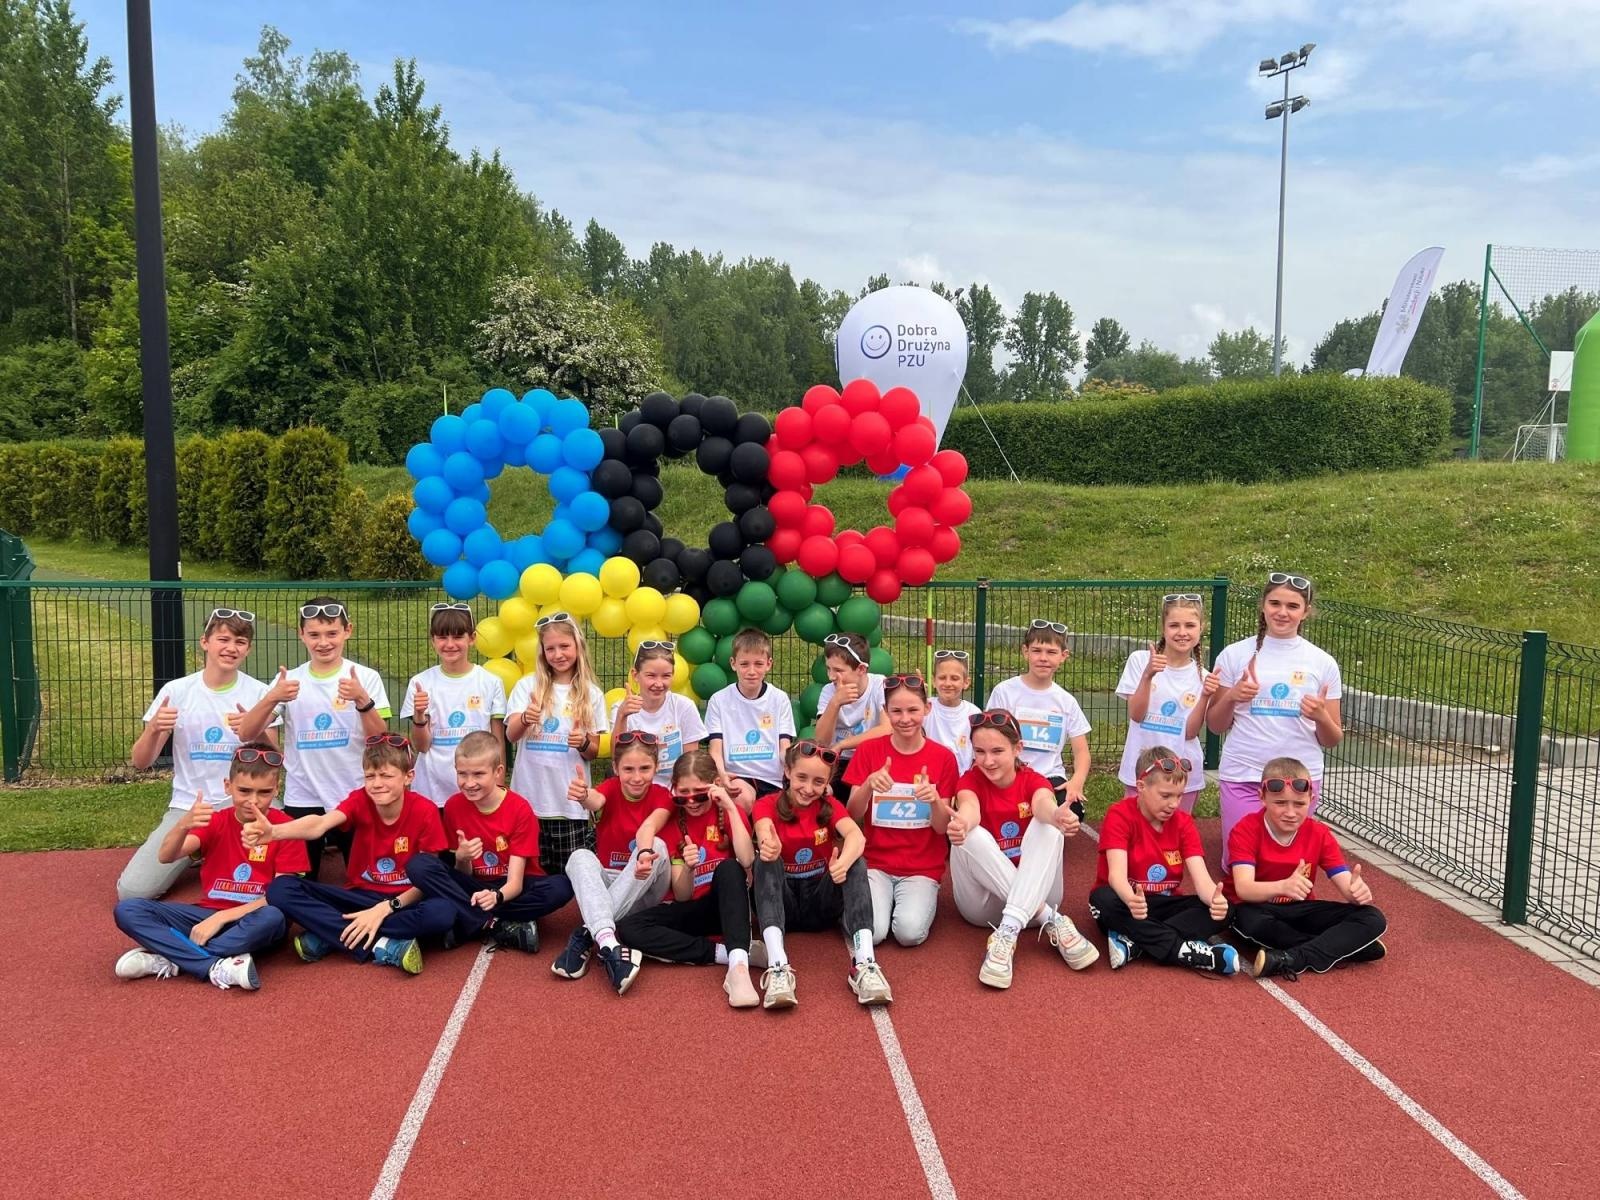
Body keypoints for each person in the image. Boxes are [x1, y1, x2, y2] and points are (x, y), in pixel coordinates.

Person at [253, 735, 456, 975]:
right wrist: (275, 832)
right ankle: (384, 945)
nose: (377, 783)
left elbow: (428, 879)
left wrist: (386, 908)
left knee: (443, 912)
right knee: (280, 889)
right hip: (359, 897)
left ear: (408, 777)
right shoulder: (360, 799)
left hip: (404, 900)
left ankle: (333, 935)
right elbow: (320, 824)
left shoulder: (426, 810)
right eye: (370, 776)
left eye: (387, 776)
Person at [112, 742, 307, 990]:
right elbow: (166, 856)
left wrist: (221, 918)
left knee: (273, 917)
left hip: (255, 916)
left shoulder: (286, 829)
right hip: (205, 914)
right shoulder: (216, 821)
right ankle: (214, 965)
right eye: (244, 791)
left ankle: (173, 957)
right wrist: (182, 825)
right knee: (129, 909)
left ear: (276, 789)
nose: (253, 801)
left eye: (264, 792)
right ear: (228, 786)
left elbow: (282, 898)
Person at [119, 607, 276, 901]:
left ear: (248, 649)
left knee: (268, 884)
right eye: (223, 639)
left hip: (243, 802)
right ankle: (200, 848)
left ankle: (210, 847)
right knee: (133, 892)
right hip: (191, 805)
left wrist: (257, 730)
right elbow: (141, 762)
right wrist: (153, 729)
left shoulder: (258, 693)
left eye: (240, 642)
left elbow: (276, 758)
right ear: (205, 641)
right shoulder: (177, 691)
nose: (231, 648)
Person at [242, 597, 391, 878]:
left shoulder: (365, 678)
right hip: (303, 795)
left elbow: (379, 741)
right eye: (314, 635)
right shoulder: (289, 680)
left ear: (348, 630)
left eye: (332, 633)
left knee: (366, 880)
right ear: (301, 635)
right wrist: (272, 697)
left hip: (354, 793)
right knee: (297, 882)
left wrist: (362, 700)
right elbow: (246, 732)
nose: (323, 642)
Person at [948, 710, 1099, 988]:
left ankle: (1007, 932)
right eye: (979, 751)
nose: (988, 760)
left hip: (1035, 895)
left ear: (1018, 748)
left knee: (1050, 826)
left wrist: (1057, 816)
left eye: (997, 751)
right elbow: (970, 808)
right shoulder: (969, 781)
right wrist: (962, 823)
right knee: (969, 834)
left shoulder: (1034, 780)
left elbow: (1043, 803)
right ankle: (1050, 920)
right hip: (984, 907)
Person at [614, 749, 760, 1009]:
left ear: (715, 786)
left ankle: (738, 969)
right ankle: (722, 954)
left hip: (729, 905)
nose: (692, 802)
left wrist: (729, 806)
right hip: (695, 909)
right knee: (629, 928)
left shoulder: (728, 811)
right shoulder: (673, 821)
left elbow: (747, 859)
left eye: (700, 794)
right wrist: (690, 868)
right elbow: (682, 896)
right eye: (683, 795)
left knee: (729, 868)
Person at [751, 740, 892, 1008]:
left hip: (821, 901)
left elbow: (855, 836)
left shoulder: (829, 805)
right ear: (787, 772)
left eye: (818, 781)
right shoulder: (767, 804)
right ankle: (778, 965)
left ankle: (864, 963)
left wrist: (843, 863)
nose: (808, 788)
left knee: (856, 862)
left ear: (827, 782)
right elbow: (764, 829)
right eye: (801, 778)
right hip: (785, 903)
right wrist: (769, 844)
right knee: (764, 862)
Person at [1208, 572, 1344, 848]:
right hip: (1244, 774)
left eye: (1292, 606)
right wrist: (1232, 696)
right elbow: (1215, 725)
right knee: (1242, 865)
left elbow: (1332, 738)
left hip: (1299, 781)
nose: (1282, 613)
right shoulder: (1234, 654)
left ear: (1306, 612)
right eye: (1275, 604)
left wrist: (1320, 717)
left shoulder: (1322, 662)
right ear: (1263, 605)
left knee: (1287, 865)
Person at [407, 731, 576, 953]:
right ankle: (498, 925)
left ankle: (470, 919)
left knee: (561, 887)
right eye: (462, 774)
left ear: (498, 772)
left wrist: (497, 896)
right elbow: (462, 874)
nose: (469, 783)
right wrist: (462, 858)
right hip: (474, 886)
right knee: (419, 865)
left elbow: (515, 883)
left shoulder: (520, 808)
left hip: (513, 886)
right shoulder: (453, 806)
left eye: (478, 774)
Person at [1227, 756, 1387, 979]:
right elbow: (1243, 889)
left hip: (1301, 908)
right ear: (1262, 797)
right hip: (1256, 907)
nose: (1290, 812)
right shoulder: (1245, 829)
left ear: (1312, 800)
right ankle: (1343, 948)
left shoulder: (1319, 833)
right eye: (1280, 803)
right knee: (1248, 921)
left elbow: (1343, 881)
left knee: (1373, 917)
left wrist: (1356, 892)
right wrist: (1283, 886)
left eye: (1299, 804)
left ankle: (1293, 958)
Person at [1088, 746, 1238, 976]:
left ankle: (1136, 943)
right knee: (1102, 899)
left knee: (1226, 911)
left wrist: (1215, 900)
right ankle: (1185, 951)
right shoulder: (1119, 815)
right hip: (1126, 903)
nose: (1174, 804)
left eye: (1179, 796)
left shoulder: (1183, 822)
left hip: (1162, 905)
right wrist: (1131, 900)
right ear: (1141, 787)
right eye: (1165, 795)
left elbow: (1202, 880)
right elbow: (1116, 876)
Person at [552, 732, 673, 994]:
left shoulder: (663, 796)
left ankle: (587, 932)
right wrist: (584, 795)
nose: (637, 777)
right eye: (628, 769)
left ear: (656, 768)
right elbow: (596, 801)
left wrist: (643, 855)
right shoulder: (610, 787)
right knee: (579, 857)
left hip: (644, 880)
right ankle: (607, 943)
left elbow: (649, 828)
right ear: (616, 768)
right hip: (610, 882)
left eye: (645, 768)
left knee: (659, 847)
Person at [844, 674, 958, 948]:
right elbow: (852, 813)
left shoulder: (943, 757)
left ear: (927, 709)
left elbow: (942, 828)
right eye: (896, 711)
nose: (905, 718)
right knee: (875, 932)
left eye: (913, 710)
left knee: (909, 933)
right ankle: (860, 900)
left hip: (922, 867)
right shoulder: (870, 750)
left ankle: (914, 901)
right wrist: (869, 785)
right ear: (886, 712)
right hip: (876, 863)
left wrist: (934, 801)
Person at [506, 611, 606, 873]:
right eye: (550, 648)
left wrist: (583, 743)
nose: (558, 654)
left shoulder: (591, 694)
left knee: (570, 878)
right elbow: (511, 735)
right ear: (542, 652)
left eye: (564, 646)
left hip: (570, 806)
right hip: (529, 802)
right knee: (529, 874)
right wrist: (526, 718)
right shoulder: (527, 686)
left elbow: (593, 752)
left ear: (578, 646)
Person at [1114, 594, 1218, 815]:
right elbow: (1136, 715)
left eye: (1190, 625)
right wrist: (1148, 676)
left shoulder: (1203, 677)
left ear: (1201, 628)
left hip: (1182, 775)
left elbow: (1190, 733)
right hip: (1141, 767)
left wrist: (1206, 696)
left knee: (1174, 840)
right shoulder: (1141, 661)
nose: (1182, 632)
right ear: (1163, 628)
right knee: (1135, 834)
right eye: (1174, 625)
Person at [400, 602, 506, 806]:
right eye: (442, 637)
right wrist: (419, 716)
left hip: (477, 791)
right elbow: (421, 746)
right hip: (432, 793)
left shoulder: (491, 682)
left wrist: (498, 787)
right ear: (433, 640)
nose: (450, 644)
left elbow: (497, 741)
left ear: (472, 638)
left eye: (458, 636)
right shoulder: (420, 683)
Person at [986, 620, 1091, 817]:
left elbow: (1082, 751)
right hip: (1011, 774)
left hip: (1050, 777)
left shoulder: (1066, 701)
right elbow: (990, 737)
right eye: (1037, 651)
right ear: (1025, 652)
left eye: (1051, 652)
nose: (1043, 658)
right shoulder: (1005, 692)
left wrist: (1076, 783)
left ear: (1063, 656)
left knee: (1072, 811)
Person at [704, 627, 795, 813]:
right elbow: (715, 750)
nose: (751, 671)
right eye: (744, 664)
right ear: (733, 663)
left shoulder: (779, 698)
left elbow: (784, 746)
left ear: (769, 664)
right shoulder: (719, 700)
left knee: (780, 812)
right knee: (743, 798)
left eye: (758, 664)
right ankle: (738, 837)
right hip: (738, 775)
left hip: (773, 778)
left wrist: (795, 771)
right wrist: (722, 774)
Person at [609, 639, 706, 789]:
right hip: (637, 789)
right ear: (635, 675)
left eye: (666, 676)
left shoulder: (684, 706)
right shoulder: (622, 708)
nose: (659, 683)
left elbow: (690, 761)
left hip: (674, 789)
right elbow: (616, 759)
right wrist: (622, 716)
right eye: (651, 676)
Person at [814, 631, 891, 804]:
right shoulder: (829, 692)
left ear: (861, 669)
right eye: (828, 668)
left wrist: (842, 744)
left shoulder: (879, 685)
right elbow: (821, 740)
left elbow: (886, 729)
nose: (831, 676)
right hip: (838, 761)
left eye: (838, 670)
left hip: (871, 757)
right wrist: (835, 703)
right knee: (823, 791)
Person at [923, 649, 981, 773]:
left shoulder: (974, 713)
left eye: (954, 678)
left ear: (966, 682)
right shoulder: (925, 707)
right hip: (931, 779)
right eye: (942, 678)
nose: (948, 683)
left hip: (962, 780)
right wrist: (916, 697)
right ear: (934, 681)